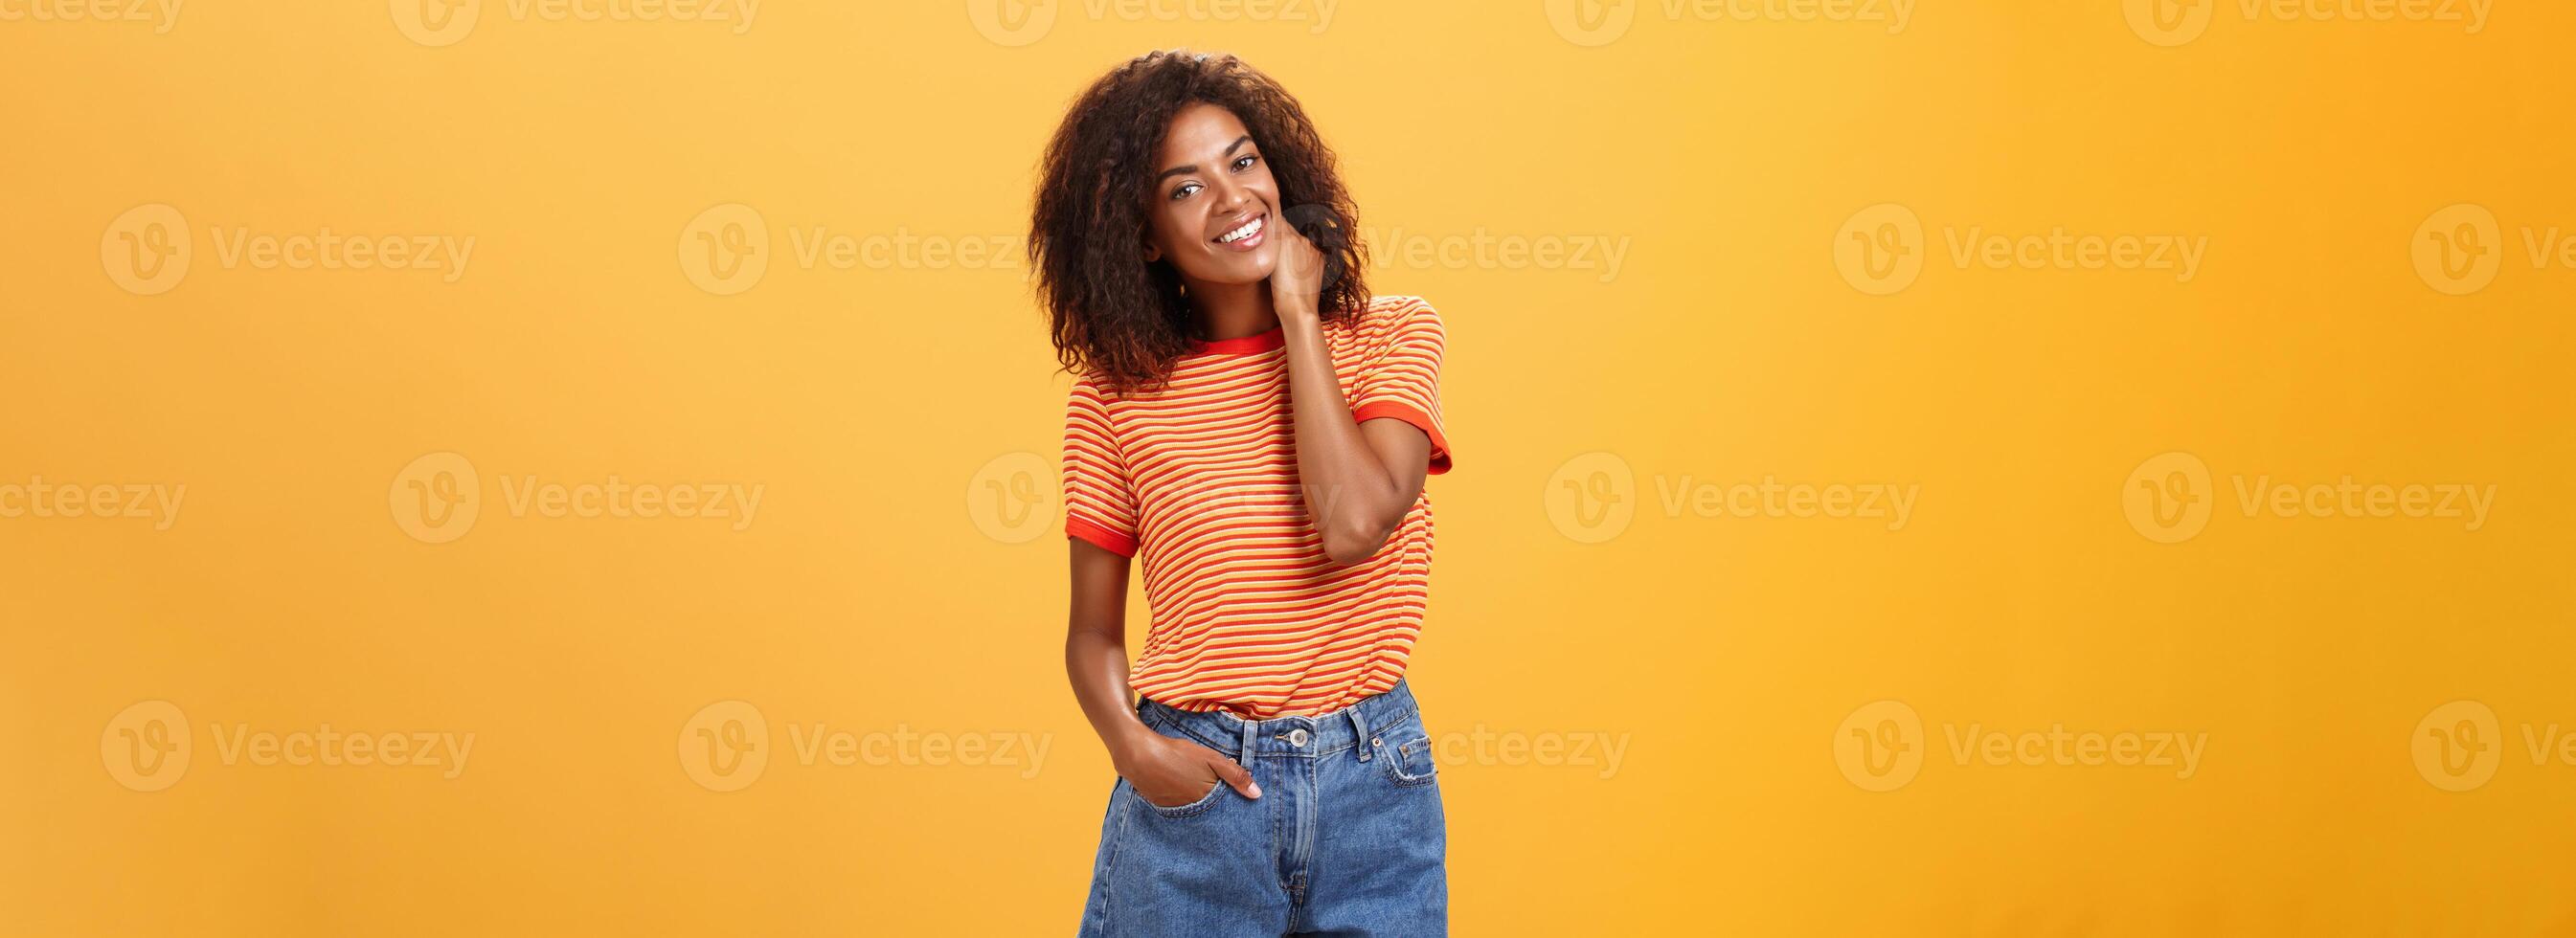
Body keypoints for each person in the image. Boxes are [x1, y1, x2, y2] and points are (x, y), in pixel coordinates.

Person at [1029, 49, 1457, 937]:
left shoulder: (1390, 335)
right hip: (1202, 796)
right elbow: (1092, 634)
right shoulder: (1113, 400)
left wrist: (1300, 315)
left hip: (1377, 785)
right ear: (1144, 234)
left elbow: (1354, 522)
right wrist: (1135, 749)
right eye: (1183, 188)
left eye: (1243, 161)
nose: (1231, 201)